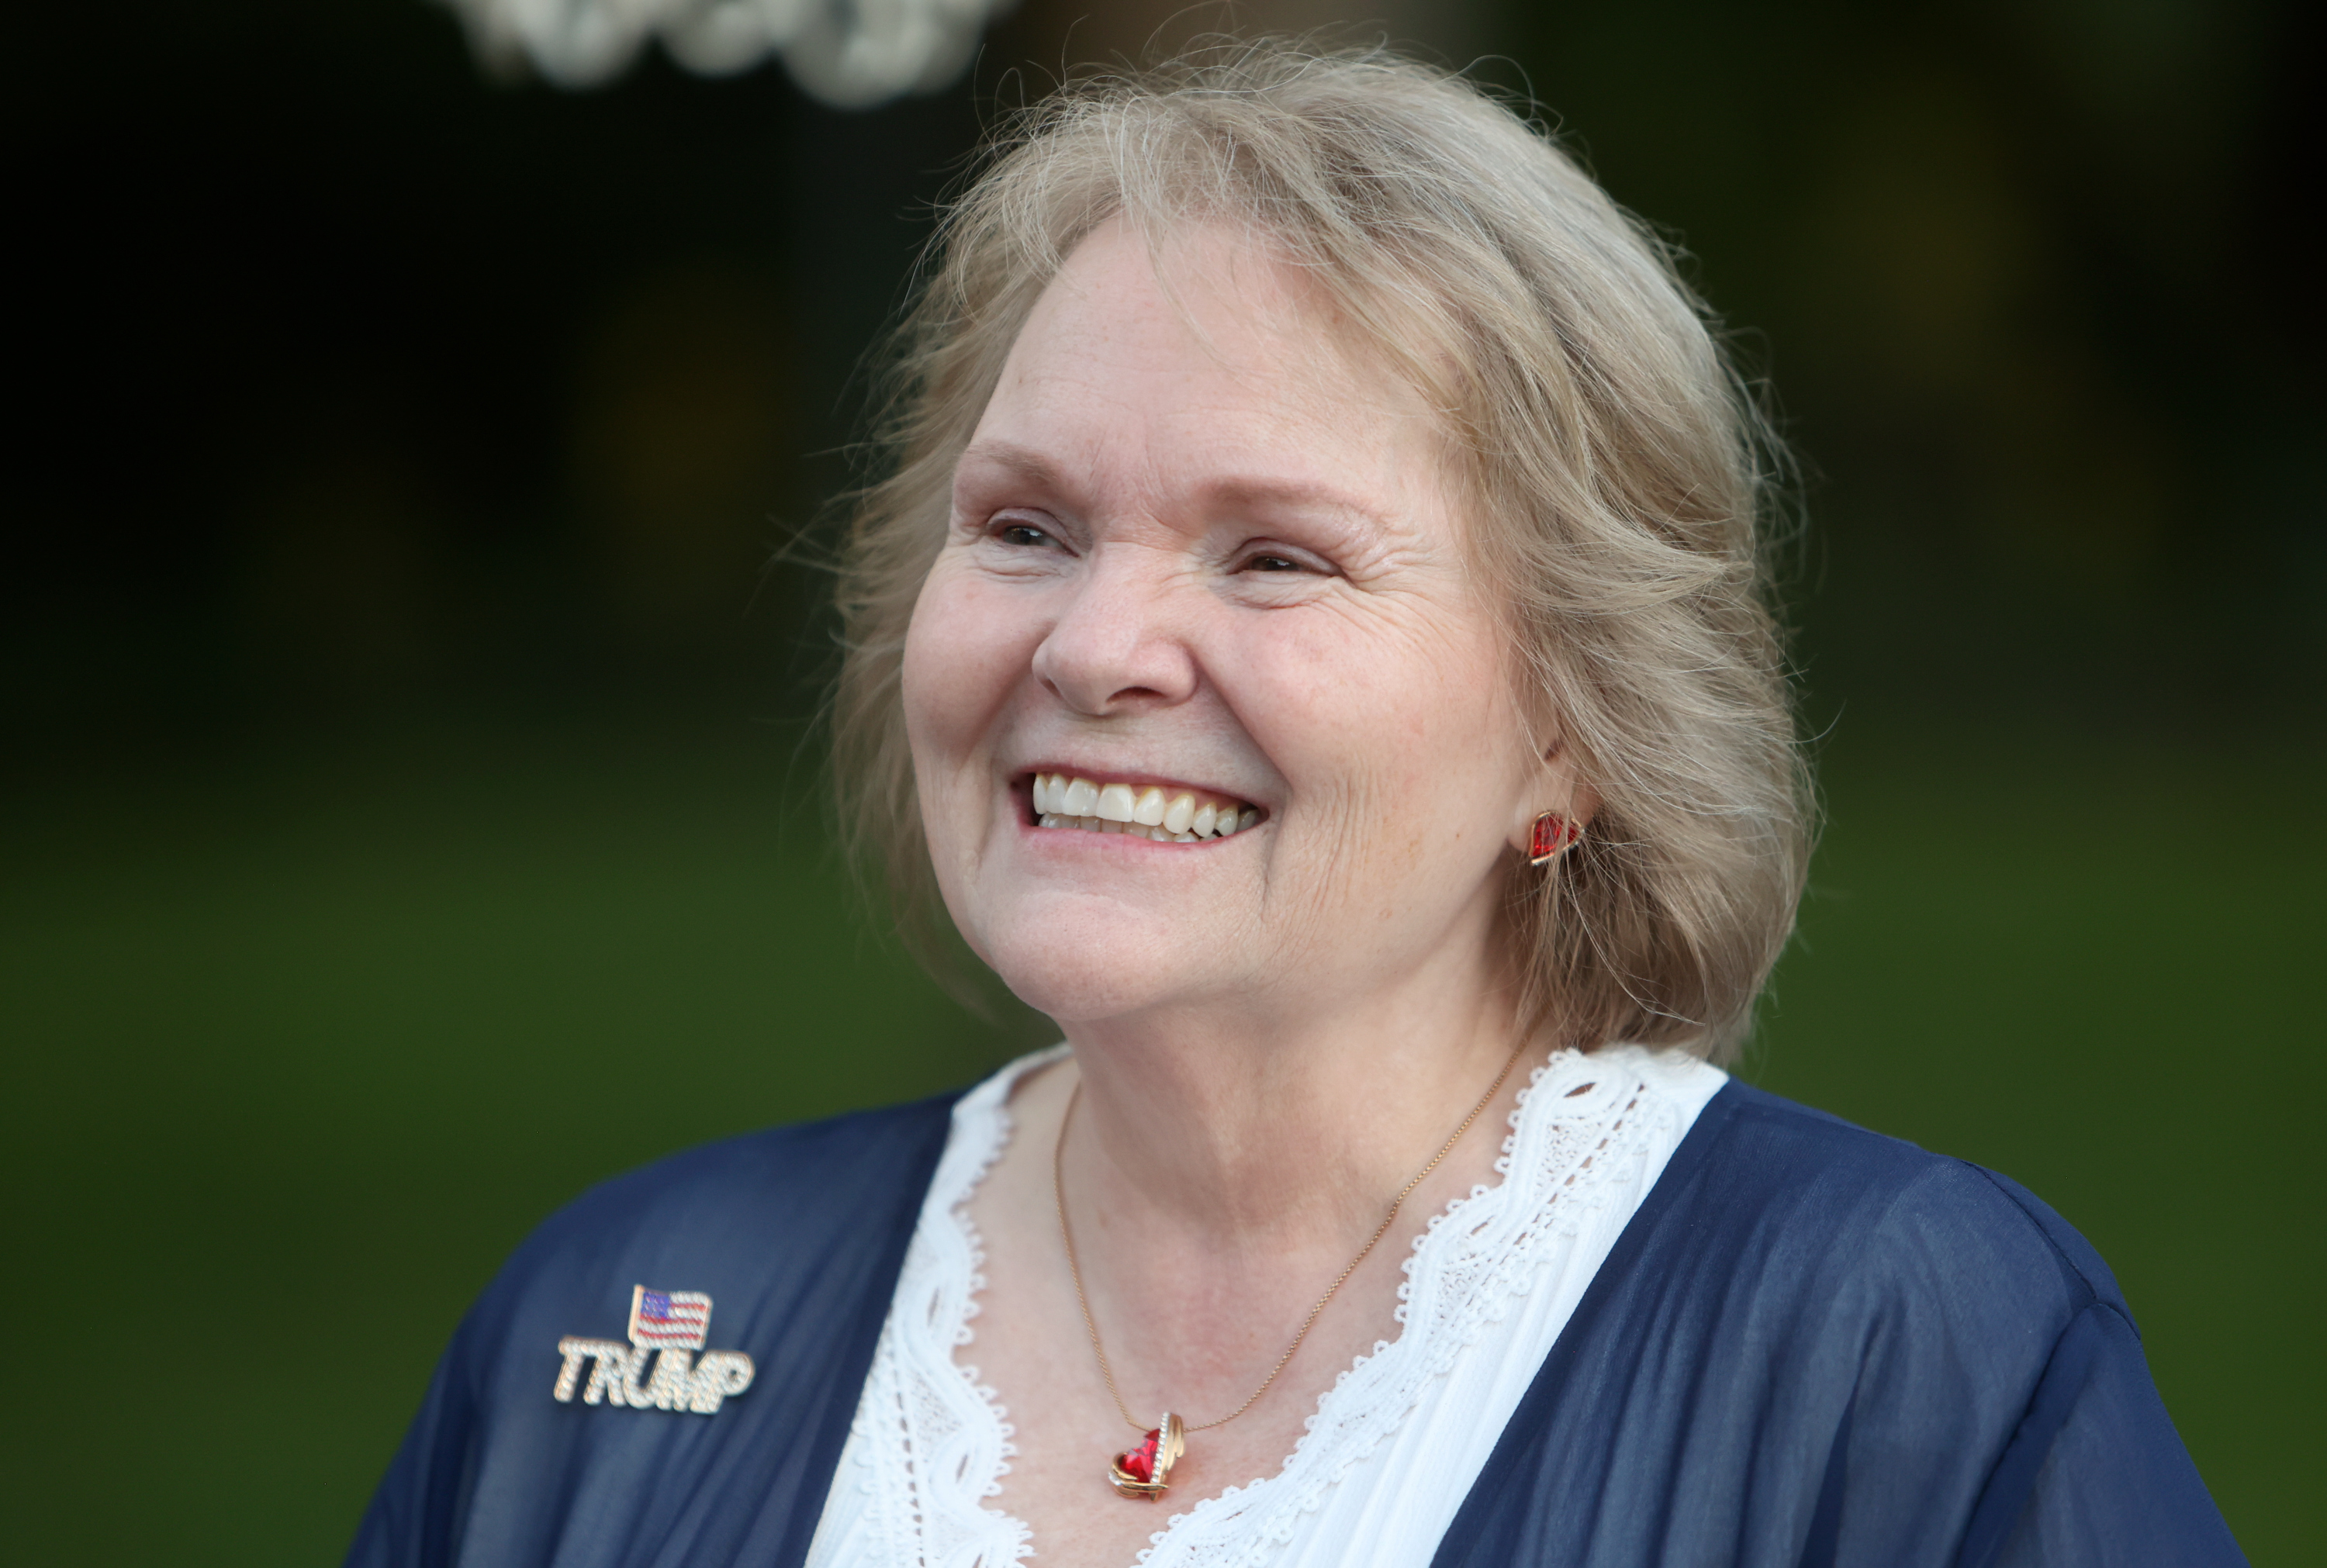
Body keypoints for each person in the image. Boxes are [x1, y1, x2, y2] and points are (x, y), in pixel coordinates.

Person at [347, 43, 2242, 1568]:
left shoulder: (1891, 1353)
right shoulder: (621, 1322)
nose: (1098, 647)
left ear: (1574, 733)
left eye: (1274, 559)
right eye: (1025, 528)